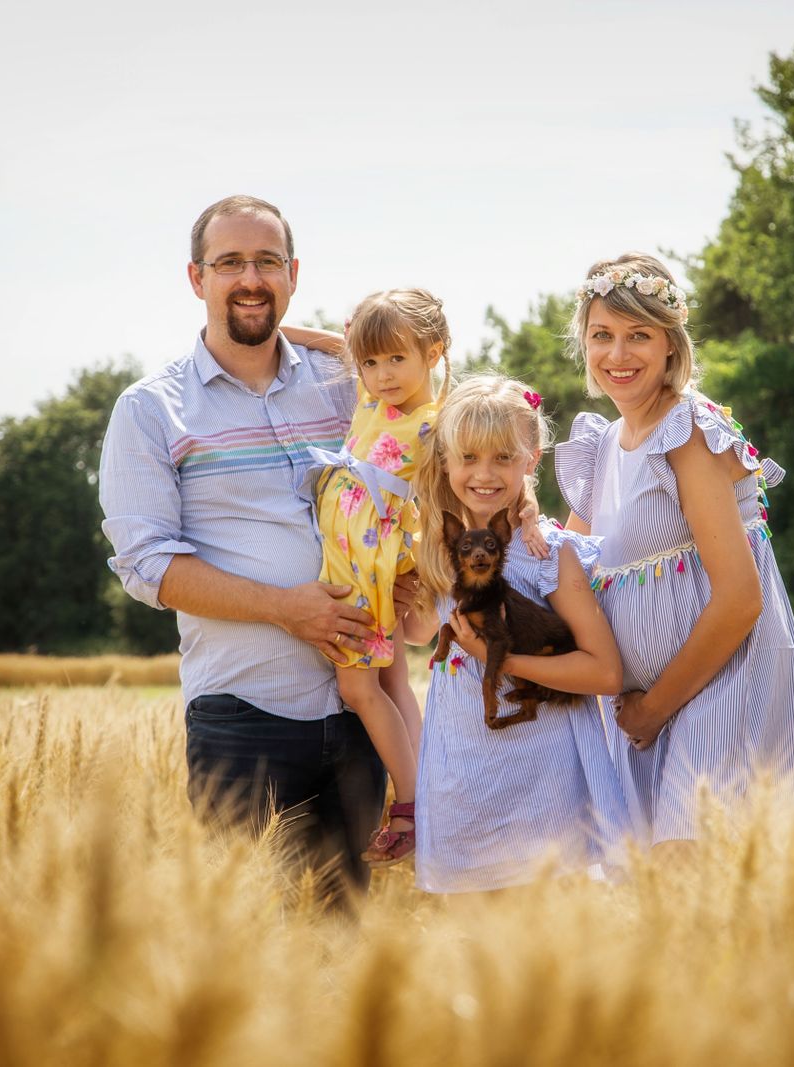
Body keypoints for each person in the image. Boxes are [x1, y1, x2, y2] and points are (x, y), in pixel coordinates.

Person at [99, 195, 403, 899]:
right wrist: (285, 608)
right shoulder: (151, 409)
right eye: (229, 263)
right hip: (243, 716)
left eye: (267, 262)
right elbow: (148, 565)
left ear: (294, 274)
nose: (250, 279)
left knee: (349, 938)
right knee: (249, 940)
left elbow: (429, 391)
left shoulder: (344, 386)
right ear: (195, 277)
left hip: (363, 710)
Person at [553, 253, 794, 859]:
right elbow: (562, 575)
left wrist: (654, 709)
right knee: (649, 887)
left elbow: (740, 599)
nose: (617, 354)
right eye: (602, 335)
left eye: (638, 335)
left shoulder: (688, 433)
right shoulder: (601, 447)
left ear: (671, 344)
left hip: (721, 681)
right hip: (639, 706)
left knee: (688, 863)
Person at [401, 375, 630, 893]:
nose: (484, 474)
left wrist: (498, 658)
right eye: (469, 458)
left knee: (548, 935)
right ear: (445, 462)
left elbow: (604, 672)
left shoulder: (547, 554)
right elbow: (417, 632)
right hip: (461, 778)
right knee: (473, 938)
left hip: (542, 782)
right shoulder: (440, 552)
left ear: (531, 459)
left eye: (503, 458)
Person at [303, 288, 450, 868]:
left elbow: (450, 499)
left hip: (368, 565)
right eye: (370, 362)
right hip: (349, 556)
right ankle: (423, 793)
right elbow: (338, 345)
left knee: (358, 690)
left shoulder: (434, 424)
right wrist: (281, 334)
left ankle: (410, 805)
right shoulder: (373, 398)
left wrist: (424, 570)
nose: (383, 373)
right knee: (390, 683)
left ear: (433, 353)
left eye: (396, 359)